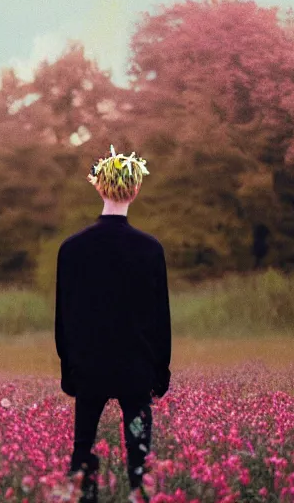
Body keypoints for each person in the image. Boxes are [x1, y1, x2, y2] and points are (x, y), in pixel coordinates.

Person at [55, 145, 172, 503]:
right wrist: (160, 370)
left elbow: (64, 317)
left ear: (98, 186)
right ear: (135, 189)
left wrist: (68, 367)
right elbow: (160, 318)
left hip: (88, 367)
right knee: (139, 454)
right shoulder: (150, 249)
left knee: (82, 452)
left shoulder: (72, 248)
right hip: (136, 368)